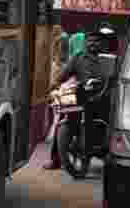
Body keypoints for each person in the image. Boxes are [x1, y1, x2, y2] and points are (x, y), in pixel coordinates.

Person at [49, 26, 118, 168]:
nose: (92, 43)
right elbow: (64, 75)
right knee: (63, 119)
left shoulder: (111, 59)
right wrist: (55, 84)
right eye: (90, 41)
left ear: (102, 44)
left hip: (103, 98)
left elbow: (115, 79)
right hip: (81, 96)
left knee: (113, 122)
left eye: (96, 41)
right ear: (85, 42)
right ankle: (56, 159)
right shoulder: (78, 57)